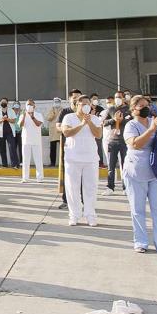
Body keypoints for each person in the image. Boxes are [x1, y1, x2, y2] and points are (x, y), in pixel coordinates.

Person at [122, 96, 157, 254]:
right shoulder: (131, 125)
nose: (146, 108)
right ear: (133, 109)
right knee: (137, 209)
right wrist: (152, 129)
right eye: (141, 106)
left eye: (147, 105)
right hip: (135, 170)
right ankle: (140, 242)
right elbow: (135, 144)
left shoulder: (155, 121)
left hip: (155, 170)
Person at [61, 95, 102, 226]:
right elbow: (66, 133)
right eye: (83, 103)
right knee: (72, 188)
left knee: (90, 188)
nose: (86, 106)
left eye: (88, 104)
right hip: (73, 158)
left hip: (90, 158)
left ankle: (90, 215)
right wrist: (82, 124)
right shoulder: (69, 117)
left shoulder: (95, 119)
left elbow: (98, 134)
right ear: (77, 105)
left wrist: (89, 122)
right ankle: (74, 215)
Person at [56, 89, 83, 209]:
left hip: (82, 147)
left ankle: (82, 200)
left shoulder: (83, 112)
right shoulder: (65, 112)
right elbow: (58, 126)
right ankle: (66, 200)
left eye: (78, 97)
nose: (76, 99)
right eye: (74, 97)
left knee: (82, 175)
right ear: (70, 99)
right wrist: (67, 129)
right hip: (67, 146)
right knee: (67, 173)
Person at [102, 91, 132, 196]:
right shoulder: (111, 109)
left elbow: (132, 122)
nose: (117, 99)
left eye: (119, 97)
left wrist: (122, 120)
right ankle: (110, 187)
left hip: (125, 141)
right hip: (112, 140)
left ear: (124, 98)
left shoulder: (129, 110)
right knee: (111, 166)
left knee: (125, 166)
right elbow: (104, 123)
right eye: (116, 97)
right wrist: (113, 120)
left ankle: (126, 187)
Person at [19, 99, 44, 183]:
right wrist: (25, 116)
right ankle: (25, 178)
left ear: (34, 106)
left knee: (38, 160)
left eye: (31, 104)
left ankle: (39, 178)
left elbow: (38, 124)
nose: (29, 106)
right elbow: (20, 125)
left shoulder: (38, 114)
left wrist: (32, 116)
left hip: (36, 141)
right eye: (27, 104)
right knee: (25, 160)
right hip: (26, 140)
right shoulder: (23, 115)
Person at [0, 98, 19, 168]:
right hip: (0, 133)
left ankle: (14, 164)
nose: (3, 103)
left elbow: (14, 120)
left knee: (12, 148)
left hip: (10, 132)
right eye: (2, 102)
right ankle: (4, 164)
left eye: (4, 102)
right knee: (2, 149)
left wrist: (7, 119)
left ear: (7, 103)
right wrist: (2, 119)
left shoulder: (11, 111)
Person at [90, 93, 106, 168]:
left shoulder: (101, 109)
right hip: (88, 131)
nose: (95, 100)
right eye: (94, 99)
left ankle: (100, 163)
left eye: (96, 99)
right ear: (90, 100)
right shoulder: (87, 108)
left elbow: (104, 119)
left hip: (98, 130)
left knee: (99, 146)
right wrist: (91, 115)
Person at [45, 98, 62, 167]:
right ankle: (52, 163)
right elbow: (48, 118)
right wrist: (53, 114)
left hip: (60, 131)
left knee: (62, 149)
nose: (56, 103)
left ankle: (62, 163)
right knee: (53, 149)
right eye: (55, 102)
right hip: (53, 132)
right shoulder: (51, 110)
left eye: (58, 102)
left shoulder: (63, 110)